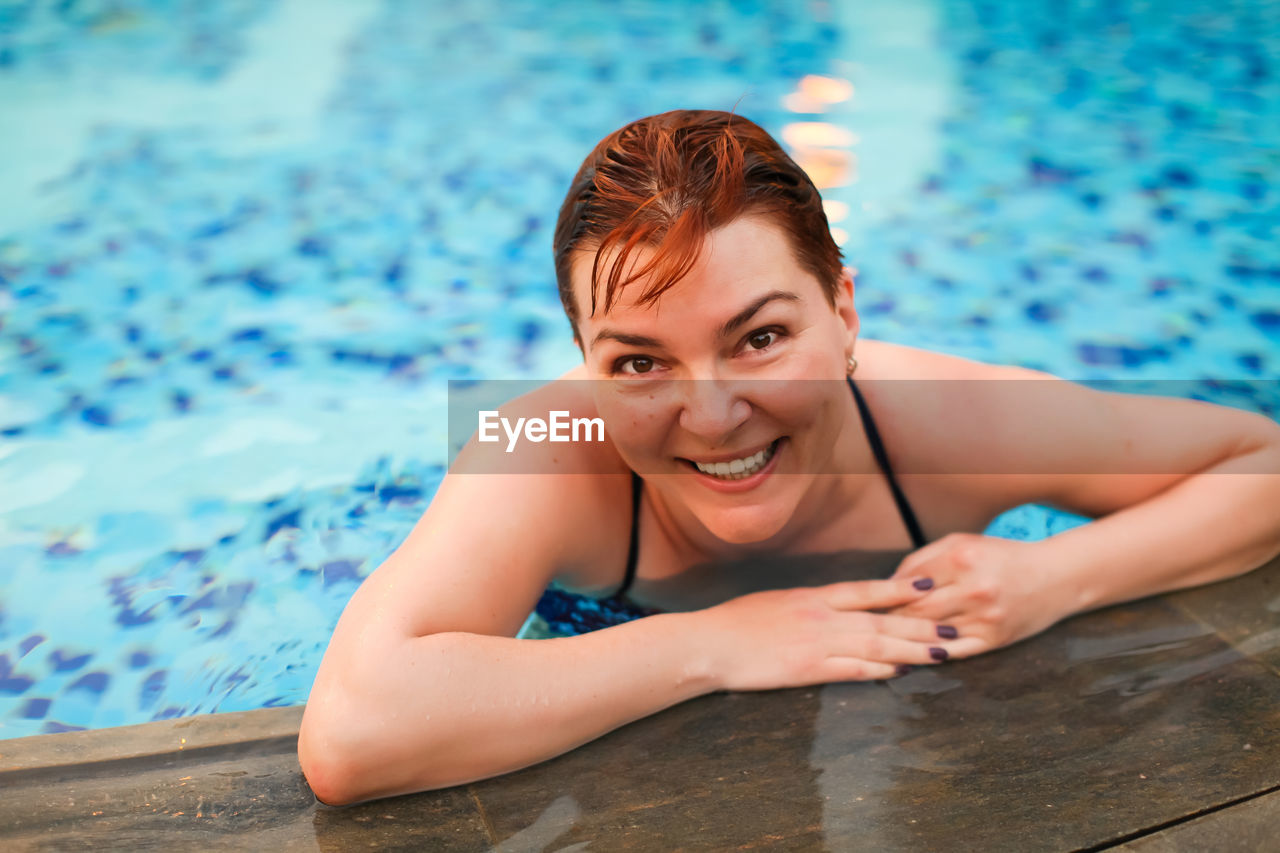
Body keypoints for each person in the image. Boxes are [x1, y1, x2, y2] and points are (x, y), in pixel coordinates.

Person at [297, 110, 1280, 806]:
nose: (711, 415)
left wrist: (1053, 575)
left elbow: (1260, 463)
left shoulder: (947, 421)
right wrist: (718, 643)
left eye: (759, 337)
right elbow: (350, 734)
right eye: (638, 360)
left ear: (842, 309)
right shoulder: (540, 440)